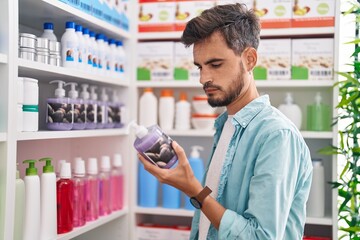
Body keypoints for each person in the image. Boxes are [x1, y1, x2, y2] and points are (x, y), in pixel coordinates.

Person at [138, 3, 313, 239]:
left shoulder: (276, 135)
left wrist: (195, 190)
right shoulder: (226, 125)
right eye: (200, 67)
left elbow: (261, 236)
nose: (203, 78)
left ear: (249, 59)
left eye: (215, 64)